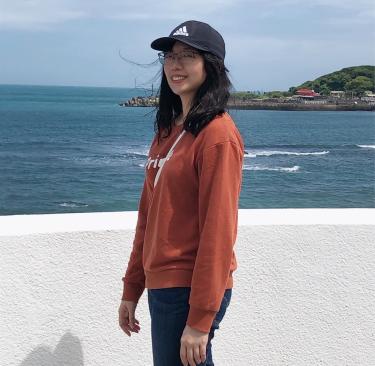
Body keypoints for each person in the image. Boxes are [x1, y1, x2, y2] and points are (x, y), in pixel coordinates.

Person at [118, 20, 244, 366]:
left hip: (189, 288)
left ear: (211, 66)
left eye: (188, 56)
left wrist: (201, 318)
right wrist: (133, 287)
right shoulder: (167, 132)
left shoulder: (217, 134)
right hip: (164, 286)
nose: (176, 65)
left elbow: (218, 231)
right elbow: (148, 216)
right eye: (170, 56)